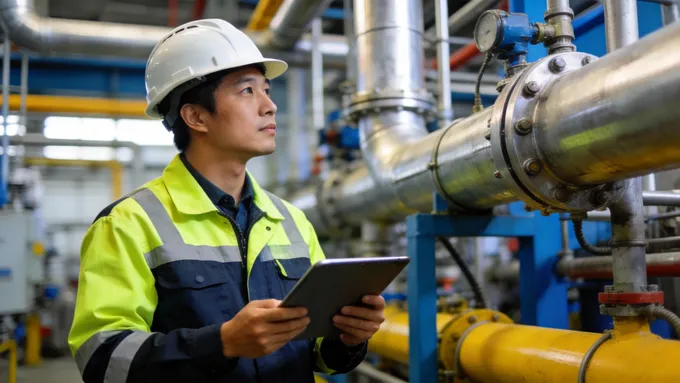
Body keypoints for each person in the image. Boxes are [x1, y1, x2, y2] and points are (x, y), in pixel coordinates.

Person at [67, 19, 385, 383]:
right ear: (197, 116)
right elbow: (103, 360)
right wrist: (221, 344)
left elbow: (316, 356)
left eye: (266, 90)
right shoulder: (128, 224)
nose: (270, 106)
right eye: (247, 91)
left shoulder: (291, 220)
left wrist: (348, 338)